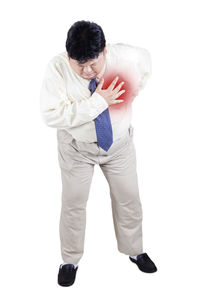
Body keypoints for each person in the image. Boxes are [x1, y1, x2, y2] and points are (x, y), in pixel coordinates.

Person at [40, 20, 157, 287]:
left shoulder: (127, 57)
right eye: (78, 64)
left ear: (104, 51)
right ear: (68, 55)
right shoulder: (57, 69)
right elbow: (50, 115)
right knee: (74, 203)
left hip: (119, 146)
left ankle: (135, 250)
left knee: (129, 198)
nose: (86, 71)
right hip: (76, 149)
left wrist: (133, 92)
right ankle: (69, 260)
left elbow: (146, 65)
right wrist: (98, 102)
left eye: (93, 63)